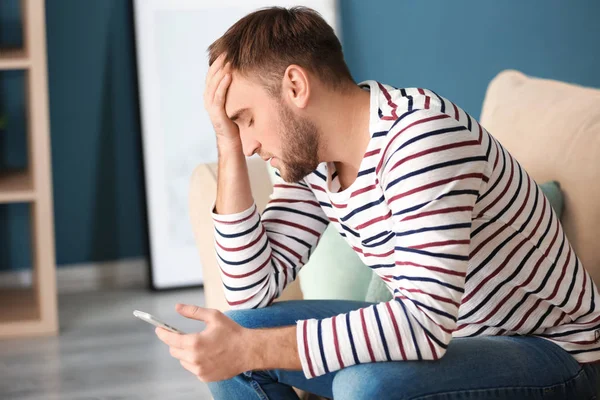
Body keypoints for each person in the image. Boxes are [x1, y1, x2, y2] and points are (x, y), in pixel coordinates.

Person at [154, 6, 600, 399]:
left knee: (363, 385)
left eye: (246, 120)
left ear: (295, 85)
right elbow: (248, 294)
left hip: (555, 354)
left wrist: (253, 349)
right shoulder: (313, 163)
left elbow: (423, 325)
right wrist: (225, 142)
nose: (248, 143)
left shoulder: (420, 140)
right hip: (453, 340)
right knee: (235, 333)